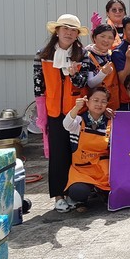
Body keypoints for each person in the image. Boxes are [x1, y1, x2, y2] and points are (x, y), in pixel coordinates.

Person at [33, 14, 89, 212]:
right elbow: (38, 86)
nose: (69, 33)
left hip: (76, 111)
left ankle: (73, 193)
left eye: (73, 30)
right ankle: (58, 195)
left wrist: (74, 75)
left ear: (77, 34)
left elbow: (84, 83)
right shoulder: (43, 55)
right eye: (65, 28)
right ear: (57, 31)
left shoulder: (83, 54)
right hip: (54, 111)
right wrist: (42, 115)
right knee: (58, 155)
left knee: (75, 153)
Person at [63, 87, 112, 210]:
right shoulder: (79, 120)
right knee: (78, 192)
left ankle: (101, 191)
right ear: (87, 102)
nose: (99, 104)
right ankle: (86, 196)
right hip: (82, 170)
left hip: (103, 171)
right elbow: (66, 125)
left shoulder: (110, 123)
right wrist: (76, 108)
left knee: (115, 191)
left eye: (103, 101)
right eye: (95, 100)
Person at [82, 24, 120, 110]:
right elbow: (90, 84)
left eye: (110, 38)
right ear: (94, 38)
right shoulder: (87, 56)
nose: (106, 40)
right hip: (96, 106)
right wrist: (103, 73)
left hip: (112, 104)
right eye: (102, 36)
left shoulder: (111, 54)